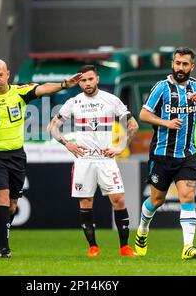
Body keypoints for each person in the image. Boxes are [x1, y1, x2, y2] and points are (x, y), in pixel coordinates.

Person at [0, 59, 82, 258]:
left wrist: (63, 85)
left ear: (8, 74)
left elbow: (42, 89)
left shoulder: (19, 92)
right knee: (2, 196)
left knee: (13, 206)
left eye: (1, 74)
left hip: (16, 155)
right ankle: (4, 248)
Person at [134, 47, 196, 260]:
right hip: (162, 155)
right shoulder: (161, 88)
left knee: (187, 195)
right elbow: (143, 114)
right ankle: (142, 230)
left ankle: (188, 247)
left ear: (192, 66)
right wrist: (166, 122)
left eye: (185, 64)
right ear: (172, 64)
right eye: (177, 63)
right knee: (157, 200)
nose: (180, 68)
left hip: (187, 156)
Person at [48, 65, 139, 257]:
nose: (87, 83)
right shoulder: (73, 102)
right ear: (79, 82)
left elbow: (133, 124)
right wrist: (67, 143)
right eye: (83, 80)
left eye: (90, 79)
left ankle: (124, 248)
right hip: (84, 159)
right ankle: (93, 247)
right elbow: (53, 126)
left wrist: (121, 146)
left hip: (106, 159)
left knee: (119, 199)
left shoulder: (111, 100)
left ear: (97, 79)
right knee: (86, 203)